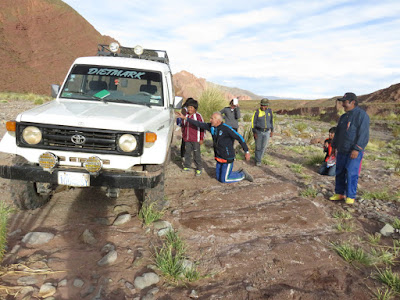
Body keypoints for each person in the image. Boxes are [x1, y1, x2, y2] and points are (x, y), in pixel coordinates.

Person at [175, 111, 253, 183]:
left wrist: (246, 151)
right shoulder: (211, 127)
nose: (210, 120)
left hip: (227, 157)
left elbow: (239, 137)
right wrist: (185, 118)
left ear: (218, 121)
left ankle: (243, 175)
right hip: (219, 157)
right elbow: (199, 124)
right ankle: (239, 172)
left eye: (212, 118)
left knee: (224, 179)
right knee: (218, 178)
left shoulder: (226, 129)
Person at [329, 92, 370, 205]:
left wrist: (357, 149)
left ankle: (350, 196)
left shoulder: (362, 116)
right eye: (342, 102)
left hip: (353, 152)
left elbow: (364, 135)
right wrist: (334, 146)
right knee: (340, 172)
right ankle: (339, 193)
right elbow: (338, 133)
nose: (342, 104)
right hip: (342, 150)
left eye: (345, 102)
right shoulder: (343, 117)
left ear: (352, 102)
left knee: (352, 173)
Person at [180, 98, 205, 176]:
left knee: (196, 154)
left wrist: (201, 138)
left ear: (195, 109)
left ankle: (199, 168)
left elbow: (202, 127)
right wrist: (184, 136)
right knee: (187, 153)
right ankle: (187, 166)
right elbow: (183, 127)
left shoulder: (198, 116)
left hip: (195, 139)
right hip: (187, 139)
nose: (189, 109)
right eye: (188, 107)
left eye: (192, 107)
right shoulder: (185, 115)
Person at [251, 98, 274, 166]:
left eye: (265, 105)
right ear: (260, 105)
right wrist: (254, 132)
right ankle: (258, 161)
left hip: (267, 132)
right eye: (262, 105)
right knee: (258, 147)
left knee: (263, 147)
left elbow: (272, 121)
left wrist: (272, 130)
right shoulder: (257, 112)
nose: (263, 107)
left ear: (267, 105)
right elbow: (253, 123)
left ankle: (259, 158)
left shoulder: (270, 111)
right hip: (258, 132)